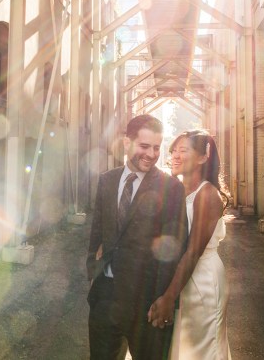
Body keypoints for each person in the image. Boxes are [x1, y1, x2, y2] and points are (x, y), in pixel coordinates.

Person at [87, 114, 188, 359]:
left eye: (156, 147)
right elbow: (97, 232)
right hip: (105, 298)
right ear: (127, 142)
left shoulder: (171, 188)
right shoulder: (107, 181)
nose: (152, 154)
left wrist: (166, 299)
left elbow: (175, 248)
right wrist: (94, 270)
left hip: (146, 303)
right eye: (144, 146)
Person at [148, 130, 231, 359]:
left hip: (202, 279)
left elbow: (193, 252)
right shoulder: (175, 190)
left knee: (201, 350)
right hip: (180, 275)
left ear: (203, 157)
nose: (175, 155)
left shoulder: (206, 195)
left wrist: (168, 298)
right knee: (180, 349)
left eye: (183, 150)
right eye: (173, 150)